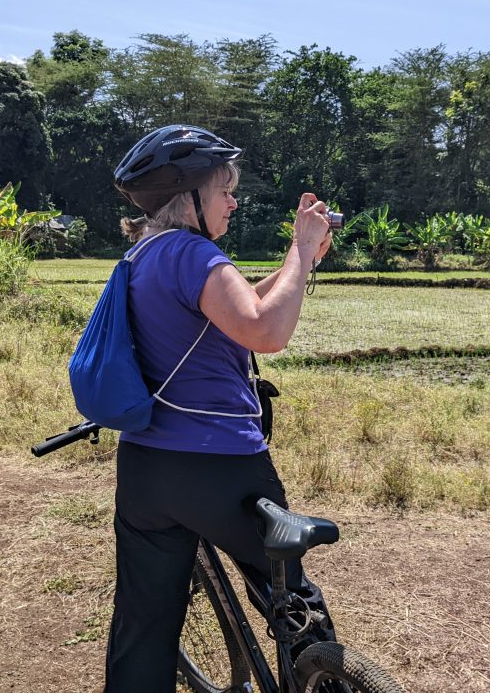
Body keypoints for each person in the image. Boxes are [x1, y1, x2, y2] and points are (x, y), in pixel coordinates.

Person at [104, 124, 334, 692]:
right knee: (290, 596)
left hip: (146, 469)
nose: (233, 201)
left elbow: (239, 304)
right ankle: (326, 682)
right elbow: (265, 330)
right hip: (220, 468)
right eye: (223, 190)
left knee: (144, 623)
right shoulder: (194, 252)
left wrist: (300, 259)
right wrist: (301, 249)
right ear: (188, 197)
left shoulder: (143, 256)